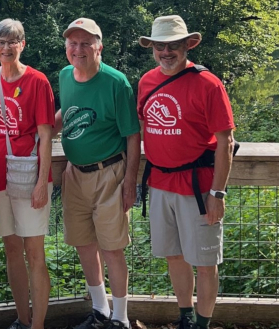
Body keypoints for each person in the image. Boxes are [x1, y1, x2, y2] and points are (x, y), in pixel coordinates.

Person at [137, 15, 235, 329]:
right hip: (160, 183)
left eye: (173, 45)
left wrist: (217, 194)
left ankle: (202, 325)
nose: (167, 52)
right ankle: (184, 318)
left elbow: (225, 141)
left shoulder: (208, 83)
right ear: (152, 47)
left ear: (186, 45)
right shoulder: (146, 81)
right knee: (174, 257)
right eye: (160, 46)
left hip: (199, 188)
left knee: (205, 263)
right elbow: (144, 126)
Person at [52, 18, 140, 329]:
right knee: (84, 245)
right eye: (73, 44)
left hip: (110, 173)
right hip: (75, 175)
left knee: (112, 248)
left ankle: (121, 319)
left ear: (98, 47)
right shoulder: (65, 76)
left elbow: (132, 135)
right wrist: (43, 132)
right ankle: (101, 311)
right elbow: (68, 110)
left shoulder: (117, 83)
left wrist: (130, 183)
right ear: (66, 49)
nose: (78, 49)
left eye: (85, 43)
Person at [0, 18, 54, 329]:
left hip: (29, 173)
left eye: (12, 42)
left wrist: (41, 183)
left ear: (23, 44)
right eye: (0, 42)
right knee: (11, 249)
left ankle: (39, 325)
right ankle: (23, 319)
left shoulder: (38, 82)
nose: (6, 47)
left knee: (34, 252)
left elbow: (46, 134)